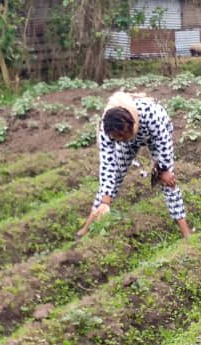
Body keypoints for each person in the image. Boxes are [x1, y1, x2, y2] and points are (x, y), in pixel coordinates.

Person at [77, 91, 192, 238]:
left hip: (156, 135)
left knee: (168, 180)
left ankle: (186, 231)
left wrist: (163, 169)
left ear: (131, 124)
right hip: (131, 137)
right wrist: (106, 200)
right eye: (118, 138)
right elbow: (107, 165)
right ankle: (88, 227)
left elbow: (164, 144)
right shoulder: (109, 129)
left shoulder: (152, 115)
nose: (122, 139)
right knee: (115, 177)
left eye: (123, 136)